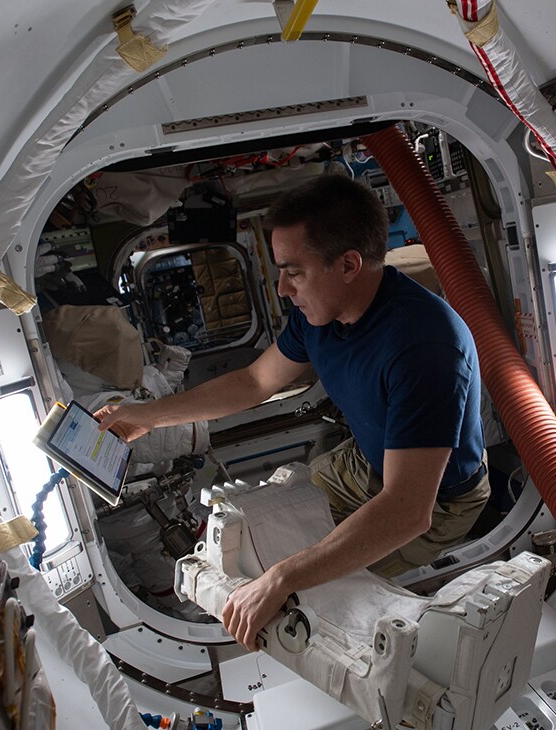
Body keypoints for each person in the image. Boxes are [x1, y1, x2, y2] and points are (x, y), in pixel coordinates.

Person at [96, 173, 489, 650]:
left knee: (304, 593)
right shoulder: (318, 315)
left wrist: (283, 580)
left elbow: (408, 511)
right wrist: (147, 415)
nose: (282, 288)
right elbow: (255, 381)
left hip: (439, 499)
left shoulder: (425, 348)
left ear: (348, 264)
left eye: (294, 271)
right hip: (365, 463)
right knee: (259, 528)